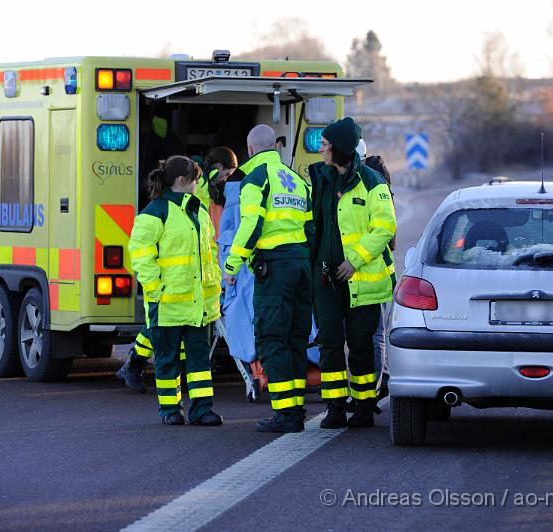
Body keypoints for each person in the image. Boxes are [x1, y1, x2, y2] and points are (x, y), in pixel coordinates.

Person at [223, 125, 314, 433]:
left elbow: (250, 225)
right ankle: (296, 408)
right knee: (295, 339)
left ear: (250, 151)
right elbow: (312, 230)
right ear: (274, 145)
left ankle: (287, 415)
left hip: (274, 269)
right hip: (301, 266)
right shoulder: (298, 181)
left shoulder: (255, 179)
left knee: (272, 338)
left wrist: (232, 265)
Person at [308, 117, 396, 429]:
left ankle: (362, 407)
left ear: (340, 149)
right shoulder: (320, 179)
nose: (321, 149)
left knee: (360, 344)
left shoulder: (373, 182)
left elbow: (385, 227)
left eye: (326, 144)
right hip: (326, 279)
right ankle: (334, 407)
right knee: (329, 344)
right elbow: (313, 223)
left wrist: (354, 260)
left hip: (361, 280)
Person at [129, 155, 223, 426]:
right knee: (167, 361)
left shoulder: (198, 211)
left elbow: (209, 253)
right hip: (168, 303)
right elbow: (141, 256)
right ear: (182, 181)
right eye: (196, 179)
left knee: (199, 363)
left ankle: (202, 410)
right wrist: (156, 290)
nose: (198, 184)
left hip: (198, 305)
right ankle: (170, 410)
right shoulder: (154, 213)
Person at [356, 140, 397, 400]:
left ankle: (375, 387)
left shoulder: (374, 184)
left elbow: (387, 235)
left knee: (375, 335)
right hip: (370, 272)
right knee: (374, 334)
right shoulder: (376, 179)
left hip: (375, 272)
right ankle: (379, 381)